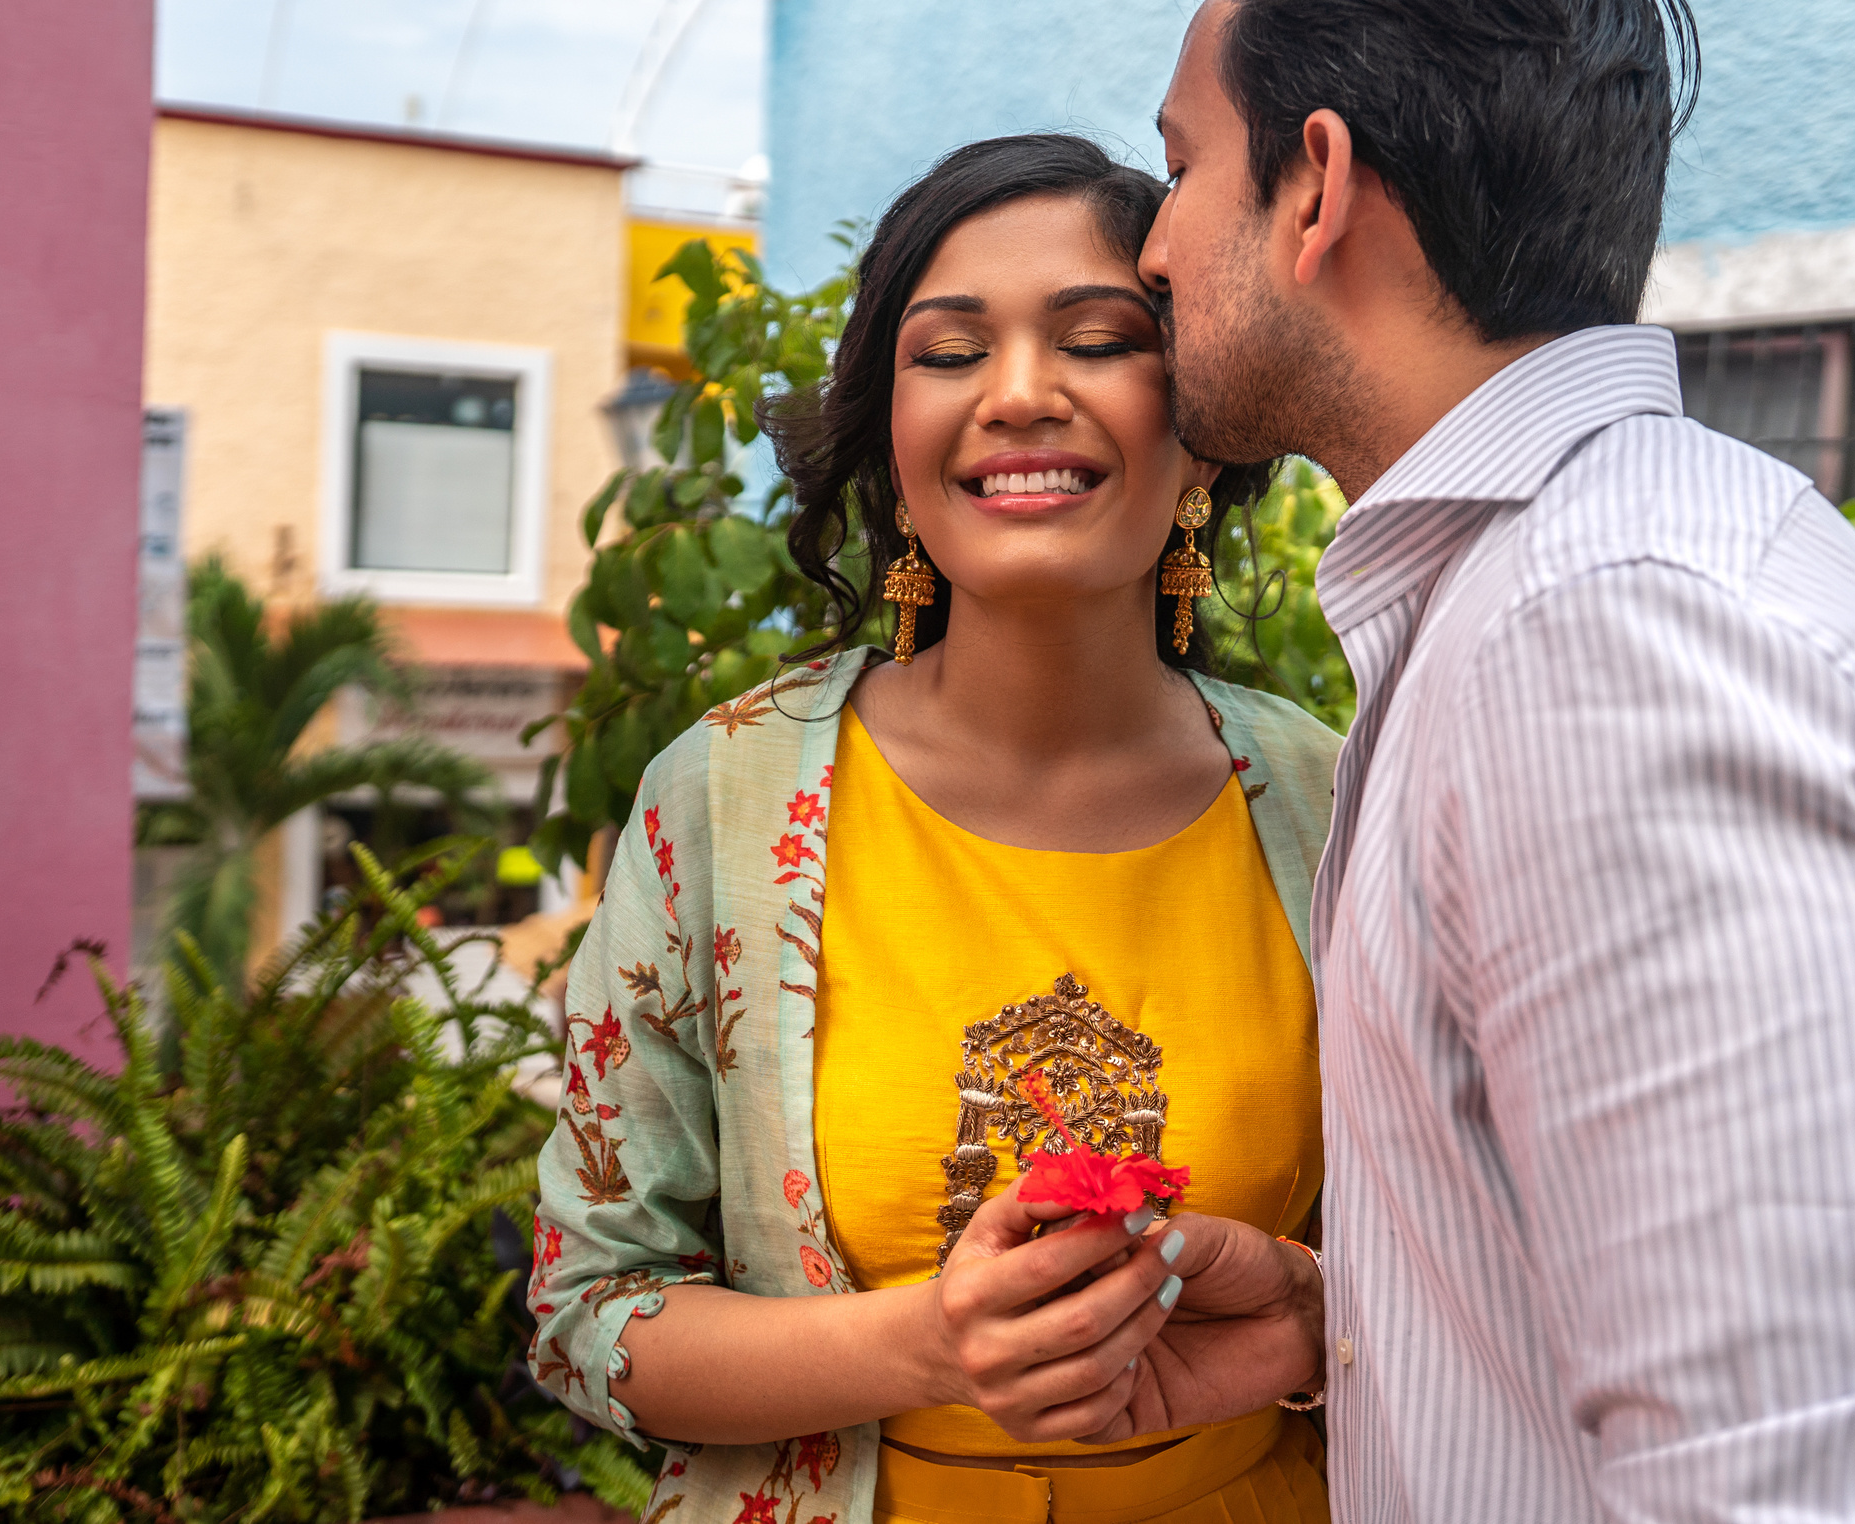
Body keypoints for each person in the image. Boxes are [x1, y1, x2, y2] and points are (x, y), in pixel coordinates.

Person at [1128, 2, 1855, 1520]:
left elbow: (1798, 1484)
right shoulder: (1562, 587)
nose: (1149, 246)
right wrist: (1342, 1326)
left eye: (1184, 162)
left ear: (1317, 190)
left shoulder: (1606, 636)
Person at [527, 133, 1343, 1524]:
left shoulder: (1338, 800)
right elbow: (589, 1317)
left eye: (1097, 340)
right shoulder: (719, 804)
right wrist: (932, 1342)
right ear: (892, 445)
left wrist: (1309, 1314)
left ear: (1201, 416)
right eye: (949, 353)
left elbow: (1470, 1273)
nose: (1020, 395)